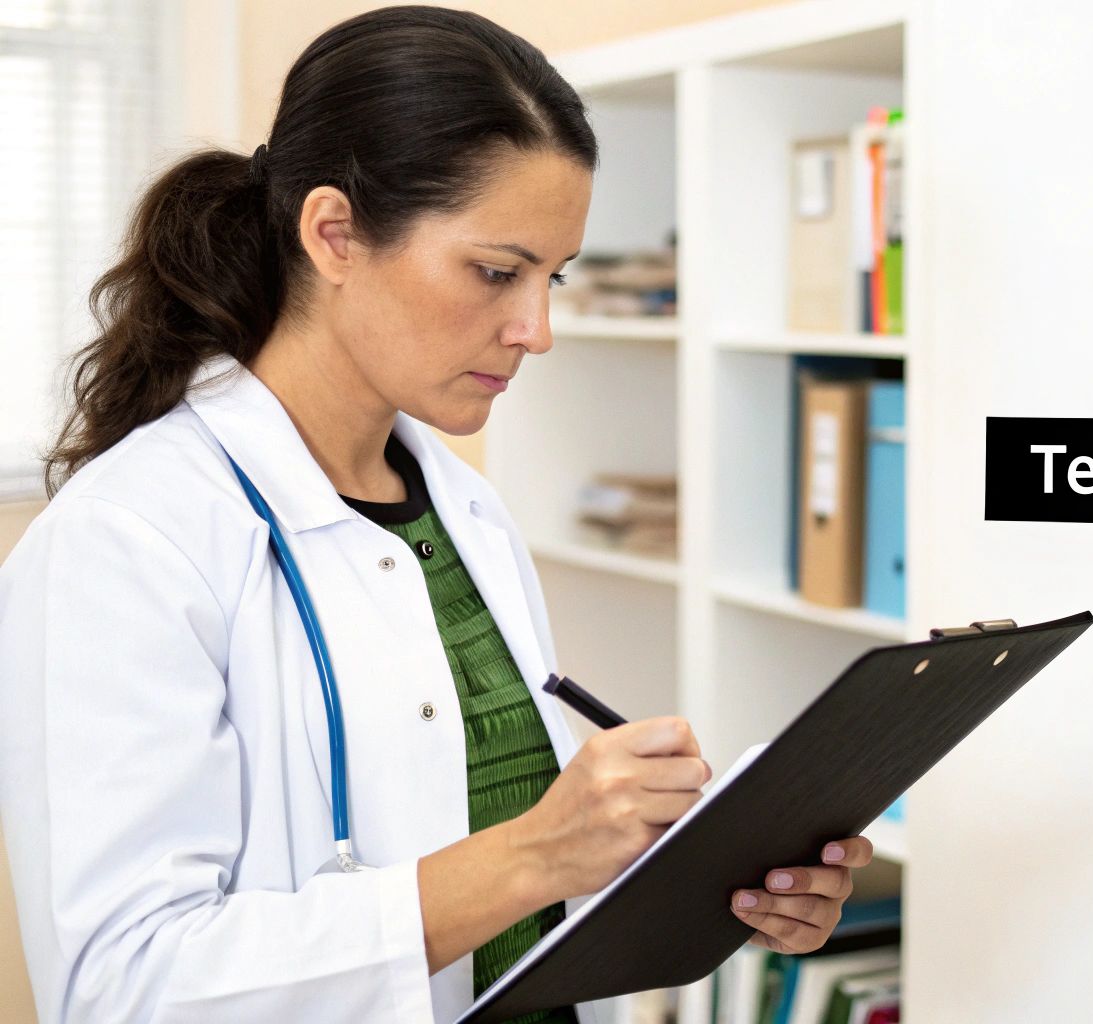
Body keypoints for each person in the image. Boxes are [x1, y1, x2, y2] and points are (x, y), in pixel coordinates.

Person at [0, 7, 871, 1023]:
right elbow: (125, 986)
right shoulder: (129, 541)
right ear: (333, 233)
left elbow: (512, 879)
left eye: (554, 277)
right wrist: (532, 854)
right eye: (498, 272)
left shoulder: (466, 511)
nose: (536, 329)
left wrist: (710, 877)